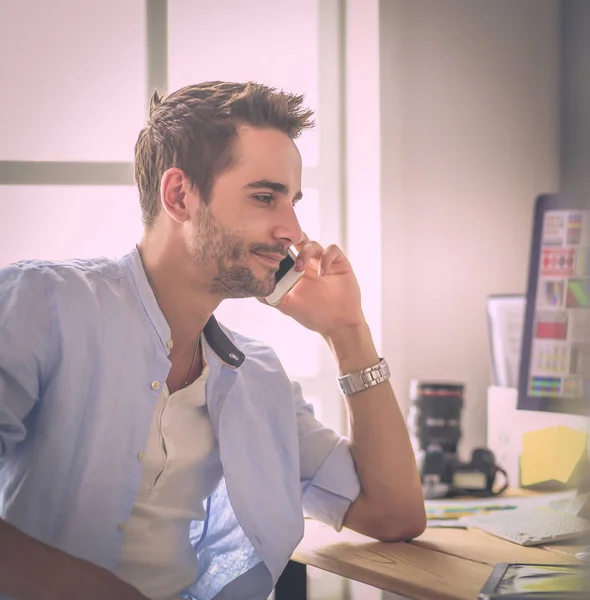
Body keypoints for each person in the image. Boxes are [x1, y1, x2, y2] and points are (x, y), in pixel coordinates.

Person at [0, 81, 425, 600]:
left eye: (293, 201)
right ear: (180, 195)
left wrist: (348, 330)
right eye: (266, 197)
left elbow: (393, 513)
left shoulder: (256, 376)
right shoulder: (40, 305)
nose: (293, 229)